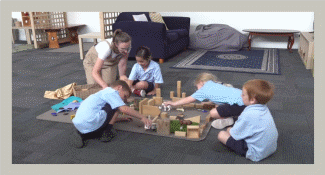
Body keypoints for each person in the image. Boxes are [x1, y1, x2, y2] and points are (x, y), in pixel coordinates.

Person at [70, 80, 152, 148]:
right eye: (125, 96)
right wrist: (142, 117)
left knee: (112, 106)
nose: (124, 100)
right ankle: (106, 132)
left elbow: (103, 112)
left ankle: (82, 134)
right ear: (119, 87)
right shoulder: (112, 92)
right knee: (116, 106)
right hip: (91, 123)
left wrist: (119, 119)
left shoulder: (102, 93)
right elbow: (124, 109)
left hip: (79, 123)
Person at [217, 79, 278, 162]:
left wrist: (229, 129)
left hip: (256, 153)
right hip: (270, 148)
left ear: (252, 100)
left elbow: (234, 134)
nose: (241, 96)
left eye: (243, 94)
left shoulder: (248, 114)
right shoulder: (264, 107)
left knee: (222, 134)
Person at [163, 72, 245, 129]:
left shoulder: (204, 89)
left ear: (201, 82)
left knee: (213, 112)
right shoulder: (215, 85)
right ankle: (237, 113)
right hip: (245, 98)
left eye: (197, 86)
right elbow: (220, 98)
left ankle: (231, 119)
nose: (197, 89)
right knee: (217, 105)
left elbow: (189, 99)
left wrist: (174, 103)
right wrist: (208, 102)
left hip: (241, 106)